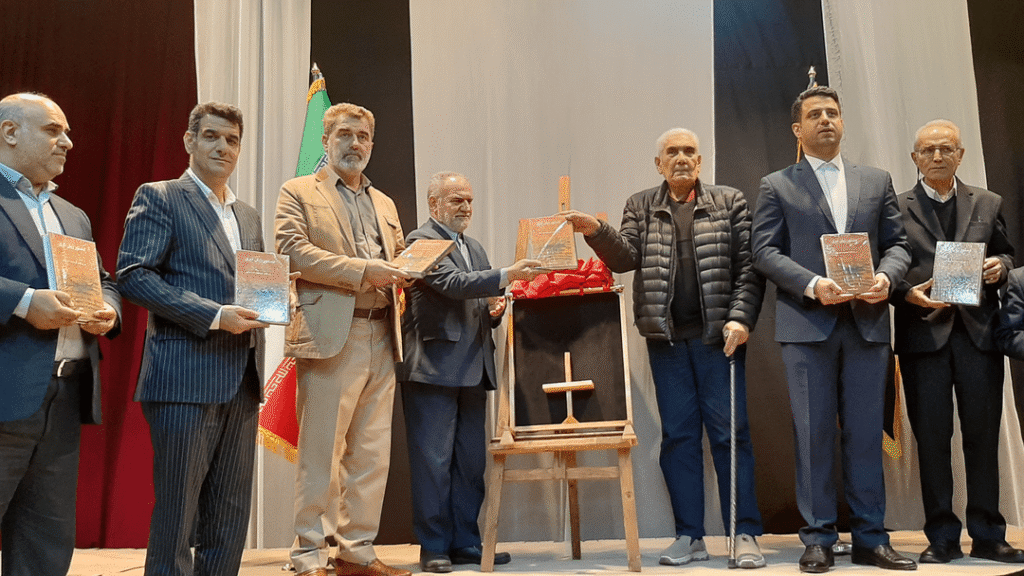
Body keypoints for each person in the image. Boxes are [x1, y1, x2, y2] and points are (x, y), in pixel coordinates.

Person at [563, 128, 767, 569]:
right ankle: (689, 535)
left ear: (700, 160)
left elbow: (749, 267)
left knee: (731, 437)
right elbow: (625, 258)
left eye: (689, 151)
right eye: (671, 152)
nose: (681, 158)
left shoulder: (729, 201)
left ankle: (744, 534)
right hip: (668, 343)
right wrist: (596, 231)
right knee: (678, 439)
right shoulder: (640, 205)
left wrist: (741, 318)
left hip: (721, 340)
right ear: (658, 164)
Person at [750, 86, 914, 573]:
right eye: (815, 114)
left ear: (843, 123)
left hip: (866, 325)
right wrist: (813, 285)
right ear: (797, 129)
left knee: (865, 435)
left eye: (833, 113)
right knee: (813, 434)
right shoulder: (776, 185)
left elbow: (899, 245)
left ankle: (871, 538)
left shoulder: (876, 180)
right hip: (807, 326)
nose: (826, 120)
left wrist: (886, 277)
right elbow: (764, 252)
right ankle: (818, 538)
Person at [117, 102, 268, 576]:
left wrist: (275, 298)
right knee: (178, 516)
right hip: (184, 377)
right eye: (212, 136)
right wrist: (214, 315)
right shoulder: (160, 196)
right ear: (189, 141)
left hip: (242, 380)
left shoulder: (248, 216)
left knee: (230, 515)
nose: (223, 147)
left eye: (232, 140)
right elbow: (133, 276)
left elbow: (254, 285)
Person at [276, 103, 412, 576]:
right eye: (345, 135)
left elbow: (396, 255)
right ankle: (309, 554)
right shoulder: (297, 191)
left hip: (383, 332)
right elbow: (292, 252)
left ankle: (356, 550)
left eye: (363, 137)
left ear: (372, 144)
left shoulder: (385, 203)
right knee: (321, 453)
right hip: (331, 333)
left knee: (371, 455)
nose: (355, 144)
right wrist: (363, 271)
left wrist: (409, 268)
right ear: (326, 140)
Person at [0, 92, 120, 576]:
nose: (68, 142)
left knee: (45, 545)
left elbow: (105, 282)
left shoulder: (72, 215)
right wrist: (25, 302)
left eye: (67, 132)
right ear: (9, 132)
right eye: (53, 130)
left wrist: (108, 311)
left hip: (66, 396)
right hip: (5, 393)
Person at [893, 119, 1022, 564]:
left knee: (982, 438)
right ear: (914, 158)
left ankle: (988, 534)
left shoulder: (988, 202)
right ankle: (942, 537)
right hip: (922, 336)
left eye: (946, 148)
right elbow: (885, 266)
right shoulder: (896, 207)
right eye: (928, 150)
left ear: (961, 155)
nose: (937, 156)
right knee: (932, 440)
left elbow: (1006, 253)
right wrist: (904, 292)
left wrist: (1001, 267)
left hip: (978, 337)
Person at [399, 172, 540, 573]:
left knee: (470, 464)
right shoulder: (419, 241)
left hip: (474, 368)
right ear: (434, 204)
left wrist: (494, 310)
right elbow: (453, 283)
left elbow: (477, 297)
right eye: (456, 200)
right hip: (433, 369)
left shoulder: (473, 246)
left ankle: (466, 543)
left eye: (469, 201)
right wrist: (507, 275)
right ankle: (434, 547)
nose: (465, 207)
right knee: (433, 465)